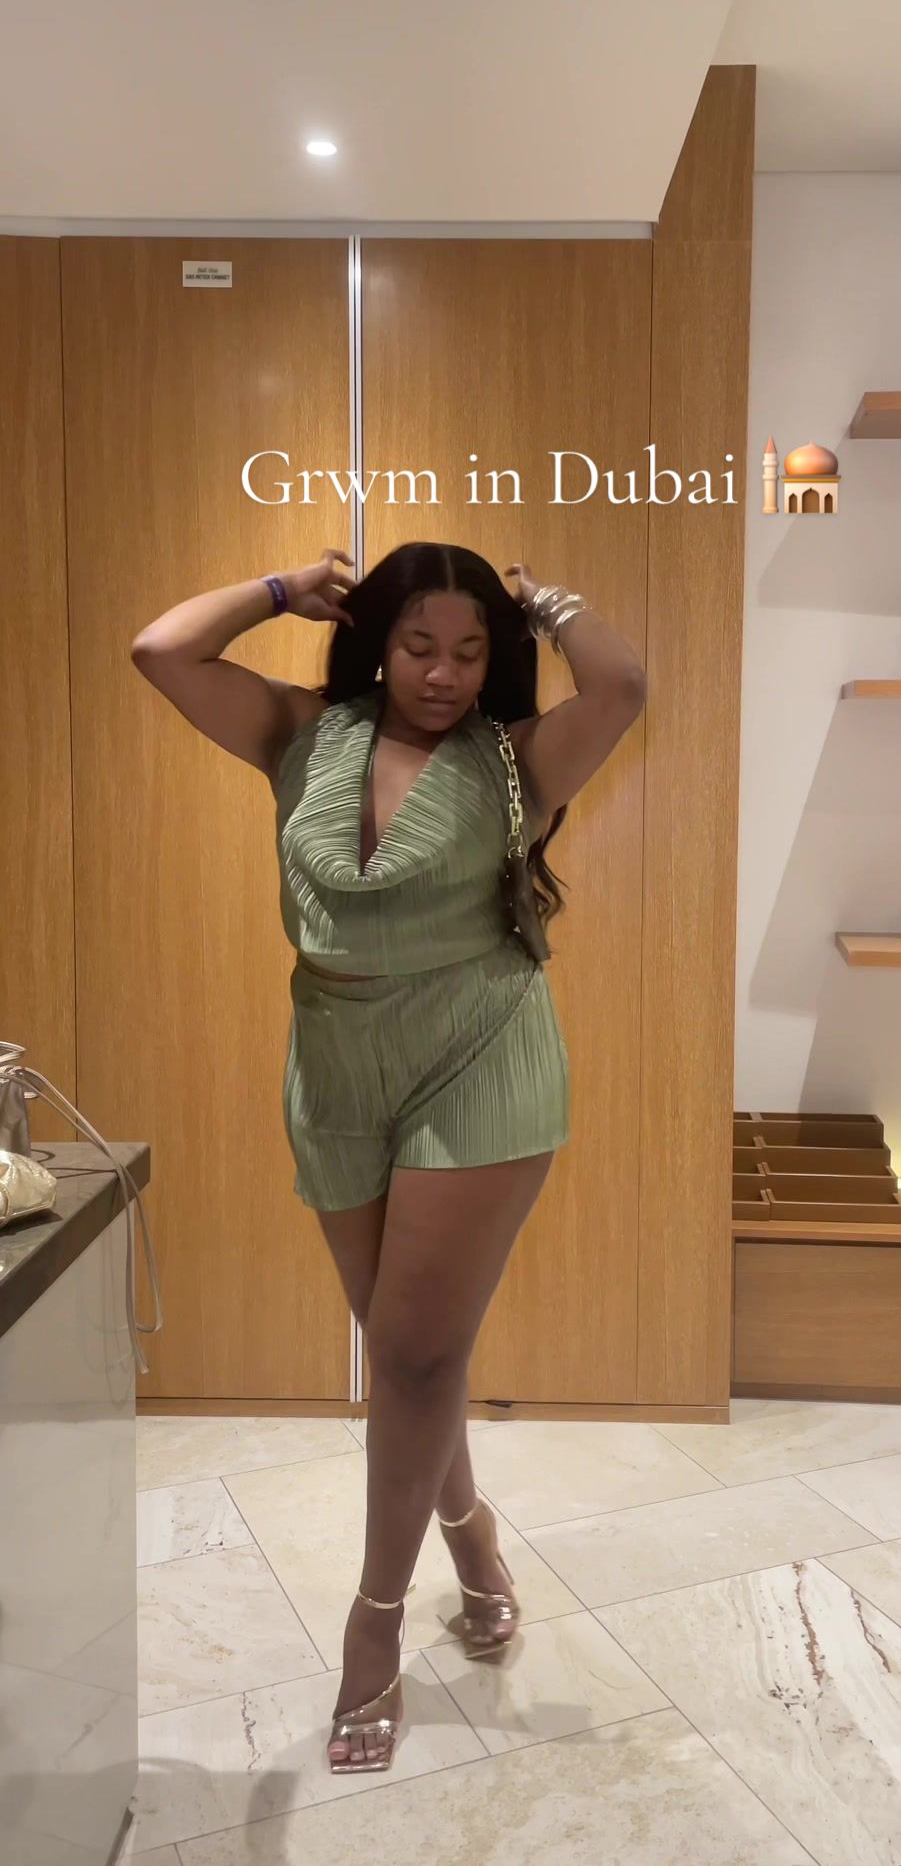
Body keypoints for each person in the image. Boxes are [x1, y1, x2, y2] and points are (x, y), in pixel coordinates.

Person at [131, 540, 646, 1773]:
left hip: (480, 1051)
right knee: (410, 1345)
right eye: (420, 645)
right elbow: (160, 649)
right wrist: (279, 590)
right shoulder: (302, 733)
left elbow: (622, 685)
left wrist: (543, 602)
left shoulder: (518, 759)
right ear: (376, 641)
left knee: (412, 1357)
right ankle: (470, 1535)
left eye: (470, 651)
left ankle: (374, 1626)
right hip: (336, 1059)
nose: (444, 674)